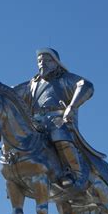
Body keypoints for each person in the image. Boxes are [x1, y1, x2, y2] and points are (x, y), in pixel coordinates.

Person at [13, 48, 95, 187]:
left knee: (58, 133)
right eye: (39, 61)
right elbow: (13, 92)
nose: (42, 64)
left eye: (47, 60)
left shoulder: (64, 78)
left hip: (58, 118)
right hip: (36, 122)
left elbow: (85, 85)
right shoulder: (32, 83)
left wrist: (72, 106)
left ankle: (75, 173)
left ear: (56, 63)